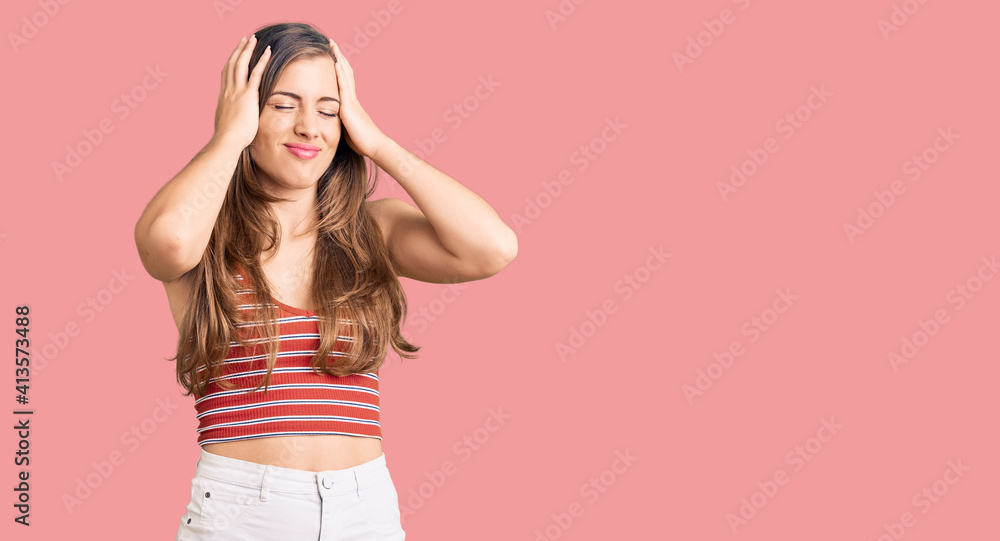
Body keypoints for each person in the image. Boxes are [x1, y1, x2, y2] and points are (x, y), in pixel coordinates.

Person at [133, 22, 517, 540]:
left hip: (365, 509)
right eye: (284, 105)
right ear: (247, 110)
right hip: (243, 510)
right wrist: (227, 137)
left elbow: (492, 248)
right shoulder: (205, 230)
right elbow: (169, 245)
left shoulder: (370, 230)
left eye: (329, 109)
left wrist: (377, 141)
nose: (310, 127)